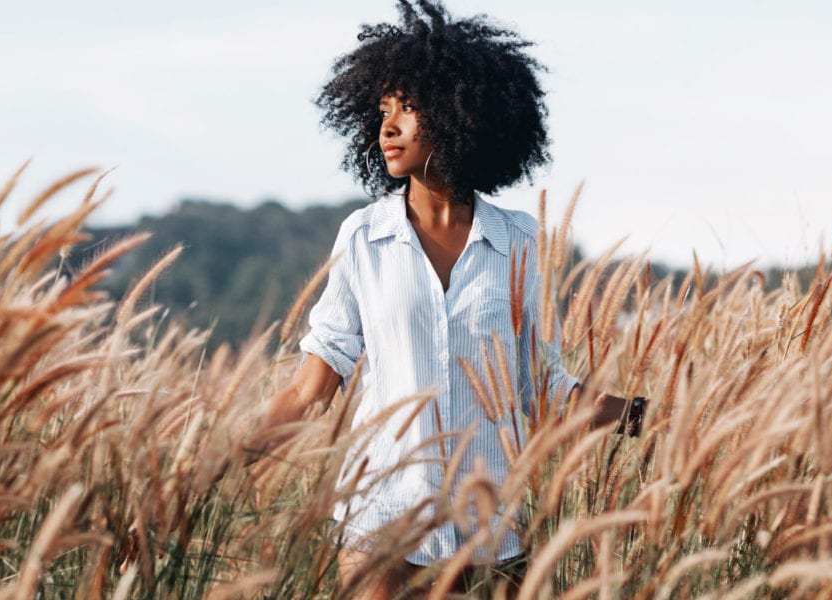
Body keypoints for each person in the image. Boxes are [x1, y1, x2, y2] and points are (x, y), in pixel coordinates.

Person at [250, 1, 644, 597]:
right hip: (380, 523)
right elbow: (310, 391)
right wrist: (217, 464)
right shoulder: (364, 237)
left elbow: (543, 385)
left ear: (462, 111)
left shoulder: (520, 240)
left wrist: (653, 418)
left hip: (491, 532)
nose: (389, 126)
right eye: (384, 110)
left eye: (409, 108)